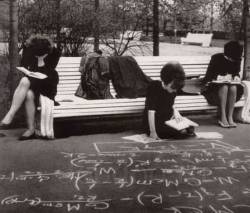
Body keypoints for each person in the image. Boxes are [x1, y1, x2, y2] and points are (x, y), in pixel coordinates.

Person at [0, 34, 61, 140]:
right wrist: (30, 65)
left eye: (40, 55)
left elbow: (49, 72)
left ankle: (11, 115)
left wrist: (41, 60)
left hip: (47, 87)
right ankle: (30, 129)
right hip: (34, 83)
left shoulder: (54, 53)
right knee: (27, 91)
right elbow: (24, 64)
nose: (36, 56)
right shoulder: (30, 49)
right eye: (35, 55)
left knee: (25, 83)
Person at [143, 61, 196, 140]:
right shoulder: (154, 86)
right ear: (166, 80)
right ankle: (177, 130)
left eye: (176, 89)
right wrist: (153, 132)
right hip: (154, 121)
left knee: (188, 127)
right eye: (173, 87)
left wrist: (177, 114)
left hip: (167, 120)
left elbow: (171, 106)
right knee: (178, 133)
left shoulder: (174, 89)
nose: (174, 91)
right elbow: (151, 111)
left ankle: (180, 129)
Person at [201, 40, 244, 128]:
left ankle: (230, 117)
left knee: (233, 87)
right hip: (214, 90)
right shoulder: (216, 58)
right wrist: (219, 77)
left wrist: (236, 76)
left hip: (230, 90)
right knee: (224, 86)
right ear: (226, 54)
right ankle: (222, 117)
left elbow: (236, 72)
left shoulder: (236, 59)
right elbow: (208, 76)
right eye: (230, 58)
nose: (232, 60)